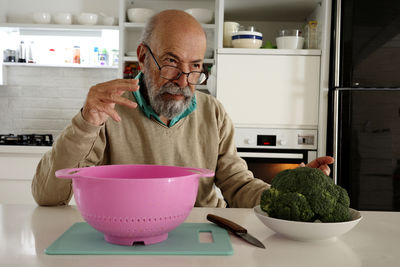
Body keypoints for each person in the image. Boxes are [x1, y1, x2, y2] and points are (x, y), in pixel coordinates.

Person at [32, 10, 334, 208]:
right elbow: (47, 196)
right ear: (142, 57)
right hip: (126, 234)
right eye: (171, 62)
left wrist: (285, 192)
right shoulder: (108, 112)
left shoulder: (212, 112)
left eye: (195, 67)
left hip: (201, 231)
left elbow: (237, 185)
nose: (183, 80)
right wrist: (86, 123)